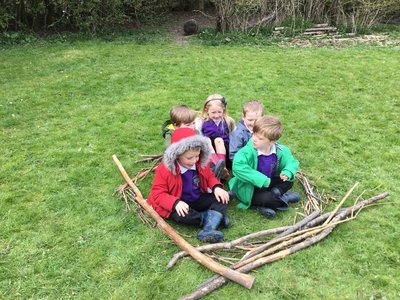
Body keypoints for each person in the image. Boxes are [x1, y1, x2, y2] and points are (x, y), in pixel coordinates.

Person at [148, 128, 231, 243]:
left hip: (196, 198)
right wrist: (175, 203)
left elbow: (210, 177)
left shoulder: (200, 163)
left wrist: (216, 187)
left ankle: (208, 229)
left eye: (197, 156)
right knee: (181, 215)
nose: (194, 160)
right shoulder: (165, 169)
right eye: (189, 158)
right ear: (177, 155)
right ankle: (211, 218)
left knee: (222, 199)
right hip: (179, 202)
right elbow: (158, 193)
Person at [229, 115, 301, 218]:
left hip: (269, 181)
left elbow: (292, 162)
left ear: (272, 141)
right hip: (249, 188)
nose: (254, 139)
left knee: (289, 181)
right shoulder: (247, 152)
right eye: (254, 134)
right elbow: (238, 167)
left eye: (260, 138)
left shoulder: (280, 150)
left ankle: (276, 194)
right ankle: (277, 199)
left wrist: (287, 172)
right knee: (269, 200)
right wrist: (262, 180)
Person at [162, 104, 226, 180]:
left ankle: (215, 171)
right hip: (182, 162)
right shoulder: (170, 134)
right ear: (176, 126)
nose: (192, 127)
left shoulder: (194, 131)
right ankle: (212, 174)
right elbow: (169, 150)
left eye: (193, 123)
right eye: (188, 125)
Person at [196, 94, 235, 174]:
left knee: (219, 140)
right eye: (213, 112)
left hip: (225, 151)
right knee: (207, 140)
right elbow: (198, 136)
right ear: (207, 110)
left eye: (219, 112)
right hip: (210, 151)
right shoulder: (201, 122)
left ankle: (222, 167)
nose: (216, 115)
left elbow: (235, 136)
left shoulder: (228, 121)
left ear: (223, 110)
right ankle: (217, 166)